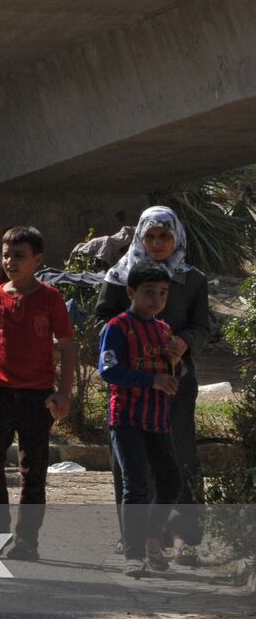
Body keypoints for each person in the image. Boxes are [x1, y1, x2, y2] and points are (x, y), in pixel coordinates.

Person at [95, 206, 210, 565]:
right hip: (131, 390)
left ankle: (183, 536)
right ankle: (133, 535)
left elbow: (203, 327)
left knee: (178, 457)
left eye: (165, 236)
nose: (158, 244)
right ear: (140, 238)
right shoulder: (120, 276)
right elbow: (103, 323)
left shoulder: (192, 280)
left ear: (177, 237)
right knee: (130, 465)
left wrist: (184, 341)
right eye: (151, 237)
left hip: (175, 386)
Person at [0, 225, 75, 560]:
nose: (10, 261)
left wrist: (64, 394)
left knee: (33, 468)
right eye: (7, 254)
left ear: (37, 260)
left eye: (19, 256)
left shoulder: (50, 299)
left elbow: (67, 346)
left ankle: (27, 540)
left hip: (37, 395)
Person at [98, 261, 184, 577]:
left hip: (157, 418)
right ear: (131, 292)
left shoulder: (163, 330)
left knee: (171, 482)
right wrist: (152, 381)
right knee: (135, 484)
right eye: (149, 292)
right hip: (127, 417)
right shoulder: (117, 327)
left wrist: (175, 363)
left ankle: (151, 539)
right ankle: (133, 555)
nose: (157, 299)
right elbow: (109, 370)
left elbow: (171, 374)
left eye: (163, 293)